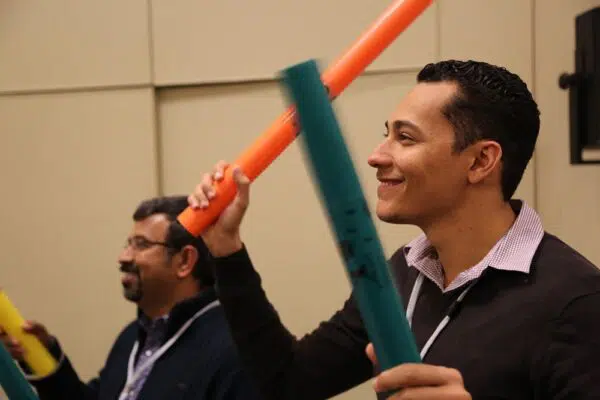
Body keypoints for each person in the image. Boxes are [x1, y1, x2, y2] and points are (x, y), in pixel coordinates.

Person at [188, 60, 600, 399]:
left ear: (480, 162)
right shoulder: (403, 274)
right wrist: (226, 249)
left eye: (405, 138)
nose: (376, 156)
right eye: (386, 134)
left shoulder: (575, 302)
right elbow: (289, 382)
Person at [0, 196, 262, 400]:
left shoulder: (233, 349)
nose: (123, 257)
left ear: (184, 261)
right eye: (128, 244)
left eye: (141, 245)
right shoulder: (131, 337)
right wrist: (43, 355)